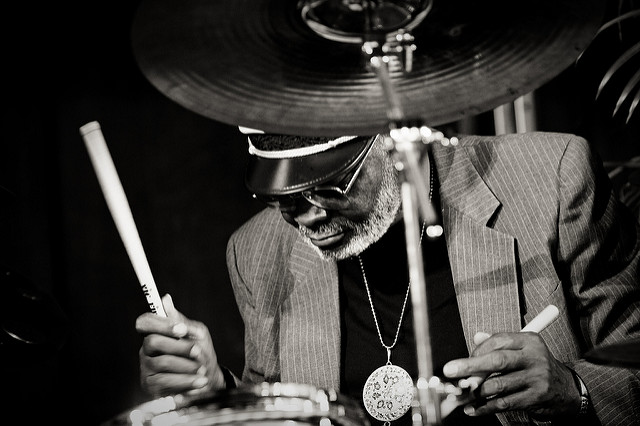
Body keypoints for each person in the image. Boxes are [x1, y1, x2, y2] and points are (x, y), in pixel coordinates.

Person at [136, 128, 640, 425]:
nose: (306, 218)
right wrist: (217, 395)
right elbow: (279, 410)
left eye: (328, 189)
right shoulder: (257, 250)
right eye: (283, 201)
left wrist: (571, 389)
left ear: (394, 145)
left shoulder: (551, 179)